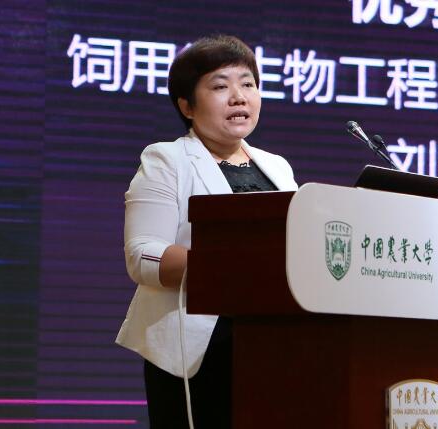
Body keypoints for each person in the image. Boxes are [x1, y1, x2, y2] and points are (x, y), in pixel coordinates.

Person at [116, 35, 298, 428]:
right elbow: (142, 255)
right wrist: (230, 266)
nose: (239, 97)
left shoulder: (277, 167)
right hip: (197, 349)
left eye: (248, 84)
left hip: (273, 345)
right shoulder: (167, 159)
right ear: (187, 106)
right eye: (220, 86)